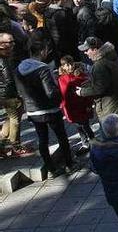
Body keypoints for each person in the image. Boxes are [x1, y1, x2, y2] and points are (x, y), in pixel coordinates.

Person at [17, 32, 76, 178]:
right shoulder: (43, 68)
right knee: (61, 136)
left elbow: (19, 89)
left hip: (32, 110)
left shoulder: (20, 67)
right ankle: (70, 163)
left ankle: (51, 168)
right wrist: (59, 96)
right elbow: (51, 92)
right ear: (42, 50)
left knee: (42, 139)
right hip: (49, 109)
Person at [77, 37, 118, 132]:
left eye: (87, 50)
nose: (85, 53)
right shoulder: (111, 56)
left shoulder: (99, 65)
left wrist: (82, 92)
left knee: (113, 136)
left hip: (110, 107)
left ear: (95, 50)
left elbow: (99, 88)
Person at [58, 56, 94, 153]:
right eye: (66, 65)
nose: (69, 67)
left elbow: (86, 89)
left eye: (70, 64)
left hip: (81, 105)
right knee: (78, 126)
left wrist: (89, 104)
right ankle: (85, 142)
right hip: (70, 107)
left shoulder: (80, 75)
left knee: (85, 125)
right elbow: (62, 93)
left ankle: (93, 141)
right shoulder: (61, 79)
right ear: (63, 67)